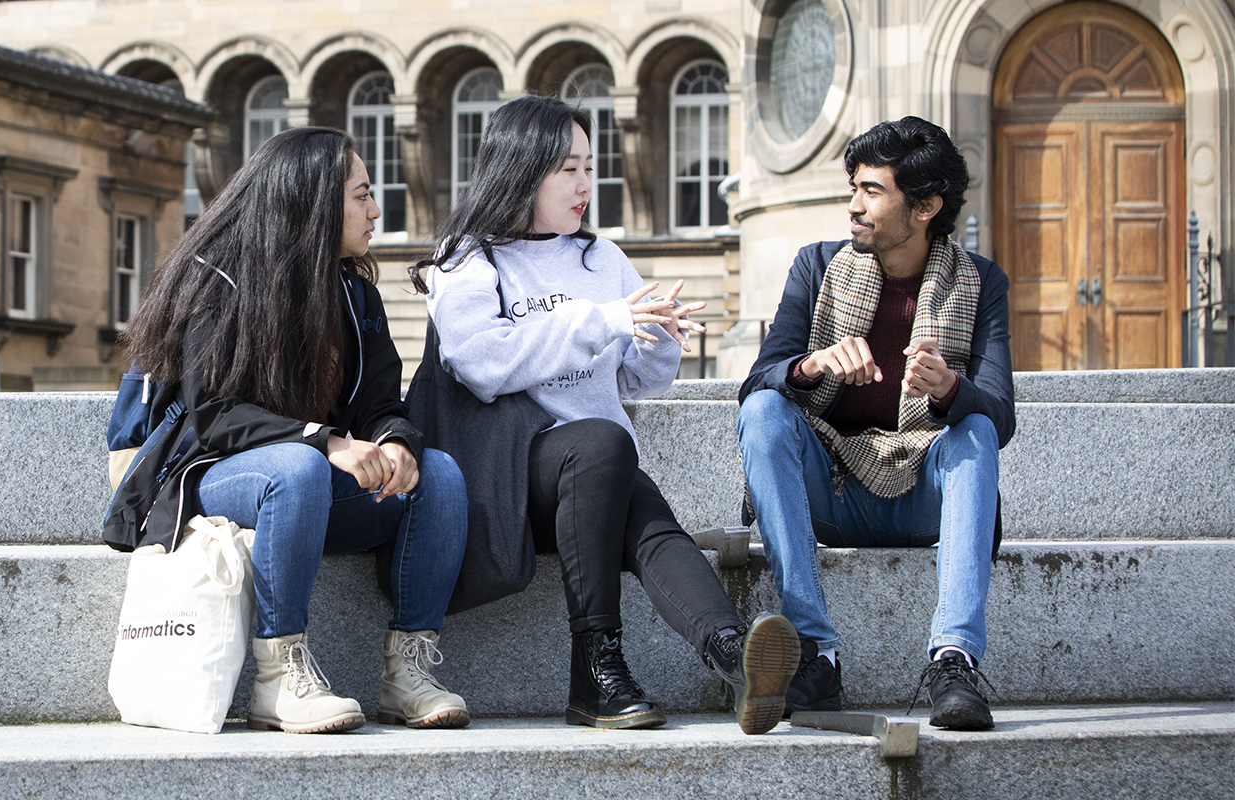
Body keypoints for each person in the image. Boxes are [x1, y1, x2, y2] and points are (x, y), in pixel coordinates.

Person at [412, 95, 800, 735]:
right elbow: (481, 363)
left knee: (645, 515)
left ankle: (734, 655)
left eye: (590, 166)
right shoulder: (469, 256)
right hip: (508, 478)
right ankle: (596, 664)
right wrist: (607, 319)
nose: (586, 184)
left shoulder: (602, 258)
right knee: (600, 445)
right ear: (521, 169)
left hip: (594, 478)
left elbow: (631, 381)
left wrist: (658, 340)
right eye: (568, 169)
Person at [106, 126, 471, 734]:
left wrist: (394, 441)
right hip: (211, 477)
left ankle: (407, 671)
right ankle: (279, 676)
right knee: (297, 467)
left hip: (309, 490)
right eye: (361, 195)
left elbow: (381, 402)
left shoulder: (355, 294)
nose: (375, 210)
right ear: (312, 199)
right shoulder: (217, 280)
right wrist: (324, 440)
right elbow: (212, 414)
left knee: (439, 474)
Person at [736, 116, 1014, 731]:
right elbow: (755, 383)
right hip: (831, 488)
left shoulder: (981, 282)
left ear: (925, 207)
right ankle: (815, 653)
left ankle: (954, 661)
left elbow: (1001, 414)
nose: (854, 208)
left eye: (871, 191)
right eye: (853, 190)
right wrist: (811, 365)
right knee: (765, 411)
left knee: (974, 429)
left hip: (923, 494)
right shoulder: (817, 267)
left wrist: (950, 391)